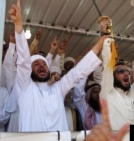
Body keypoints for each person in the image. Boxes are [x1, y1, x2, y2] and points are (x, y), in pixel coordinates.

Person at [8, 0, 106, 132]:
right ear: (29, 70)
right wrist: (18, 25)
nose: (41, 66)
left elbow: (79, 72)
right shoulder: (24, 87)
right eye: (36, 64)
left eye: (44, 63)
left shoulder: (58, 88)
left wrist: (100, 43)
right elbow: (23, 62)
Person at [99, 32, 134, 131]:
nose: (126, 73)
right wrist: (106, 42)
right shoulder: (108, 94)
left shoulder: (132, 96)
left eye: (127, 71)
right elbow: (107, 67)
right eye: (120, 71)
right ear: (113, 77)